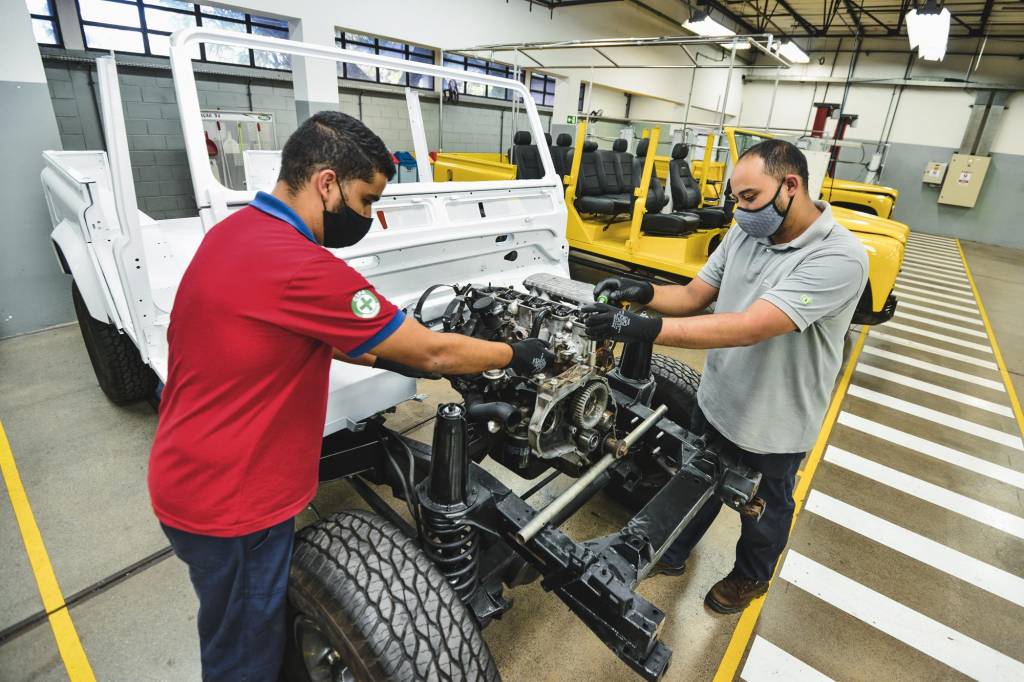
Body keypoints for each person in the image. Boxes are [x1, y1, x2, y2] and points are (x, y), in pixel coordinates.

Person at [148, 111, 553, 681]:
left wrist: (382, 349)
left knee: (236, 627)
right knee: (245, 652)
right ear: (327, 183)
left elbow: (296, 333)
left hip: (193, 469)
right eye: (366, 201)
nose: (368, 216)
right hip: (231, 503)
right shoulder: (303, 267)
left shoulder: (237, 234)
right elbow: (433, 353)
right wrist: (516, 355)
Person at [583, 139, 867, 614]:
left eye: (750, 198)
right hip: (717, 397)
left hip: (774, 423)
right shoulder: (745, 232)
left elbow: (749, 327)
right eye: (735, 198)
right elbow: (696, 294)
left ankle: (750, 577)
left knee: (763, 508)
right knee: (693, 479)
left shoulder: (840, 258)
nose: (740, 210)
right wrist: (643, 291)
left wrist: (640, 327)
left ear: (790, 186)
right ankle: (671, 550)